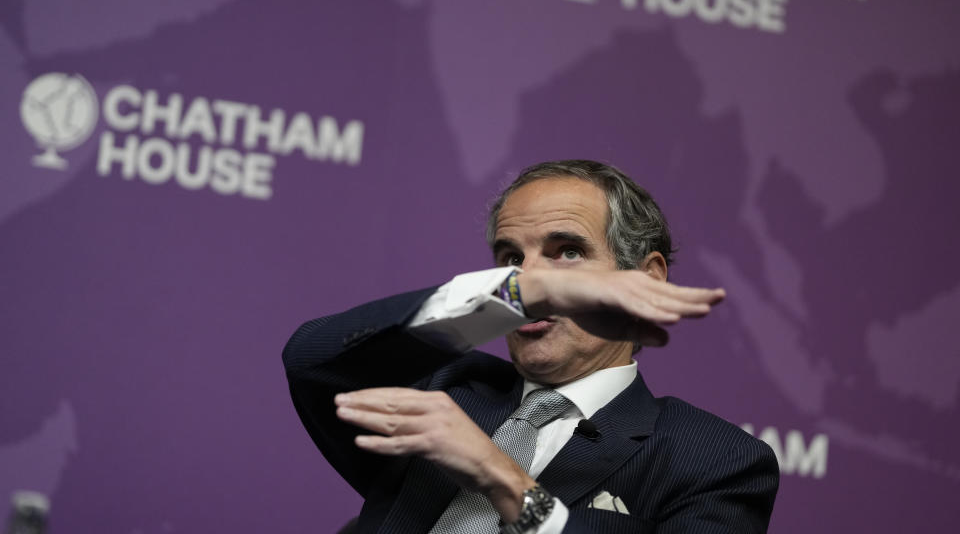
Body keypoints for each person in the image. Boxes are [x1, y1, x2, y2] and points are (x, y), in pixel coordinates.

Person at [283, 160, 778, 533]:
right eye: (512, 259)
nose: (531, 276)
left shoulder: (713, 460)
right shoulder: (445, 388)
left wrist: (503, 479)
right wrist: (526, 293)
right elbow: (314, 362)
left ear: (645, 278)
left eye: (568, 252)